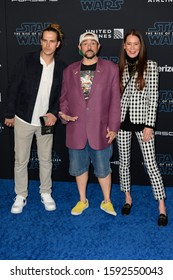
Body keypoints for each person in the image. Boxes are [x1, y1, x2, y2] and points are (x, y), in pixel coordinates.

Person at [4, 23, 66, 214]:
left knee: (46, 159)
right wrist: (9, 113)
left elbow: (61, 96)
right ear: (41, 42)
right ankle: (21, 195)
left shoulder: (61, 68)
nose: (48, 45)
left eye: (52, 41)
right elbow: (13, 87)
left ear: (58, 44)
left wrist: (54, 113)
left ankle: (45, 192)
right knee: (21, 160)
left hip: (45, 122)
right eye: (45, 41)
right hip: (23, 118)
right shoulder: (26, 60)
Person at [59, 32, 120, 216]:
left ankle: (107, 201)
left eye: (93, 43)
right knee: (79, 168)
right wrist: (63, 114)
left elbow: (115, 101)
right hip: (76, 129)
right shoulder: (69, 71)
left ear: (98, 46)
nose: (89, 46)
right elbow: (64, 99)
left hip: (101, 130)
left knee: (103, 169)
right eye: (85, 43)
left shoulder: (111, 69)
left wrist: (114, 127)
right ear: (79, 48)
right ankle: (82, 200)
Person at [117, 29, 168, 226]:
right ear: (124, 46)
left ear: (141, 46)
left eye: (135, 44)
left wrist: (149, 125)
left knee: (151, 164)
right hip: (122, 124)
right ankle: (127, 198)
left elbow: (153, 98)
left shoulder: (150, 66)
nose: (131, 47)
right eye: (128, 44)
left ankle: (161, 206)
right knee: (124, 163)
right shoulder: (118, 67)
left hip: (143, 124)